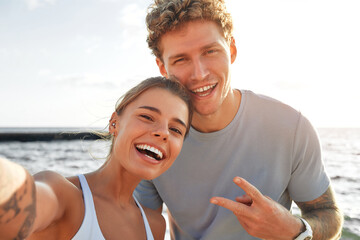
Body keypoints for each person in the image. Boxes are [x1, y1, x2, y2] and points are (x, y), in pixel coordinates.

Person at [134, 1, 344, 239]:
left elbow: (328, 214)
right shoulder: (151, 141)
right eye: (181, 59)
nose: (200, 73)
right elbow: (136, 226)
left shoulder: (290, 128)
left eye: (210, 51)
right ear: (162, 66)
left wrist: (295, 229)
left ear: (232, 50)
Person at [0, 76, 193, 240]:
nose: (163, 133)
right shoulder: (64, 196)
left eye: (175, 129)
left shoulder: (155, 225)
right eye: (147, 117)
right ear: (114, 123)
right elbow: (23, 199)